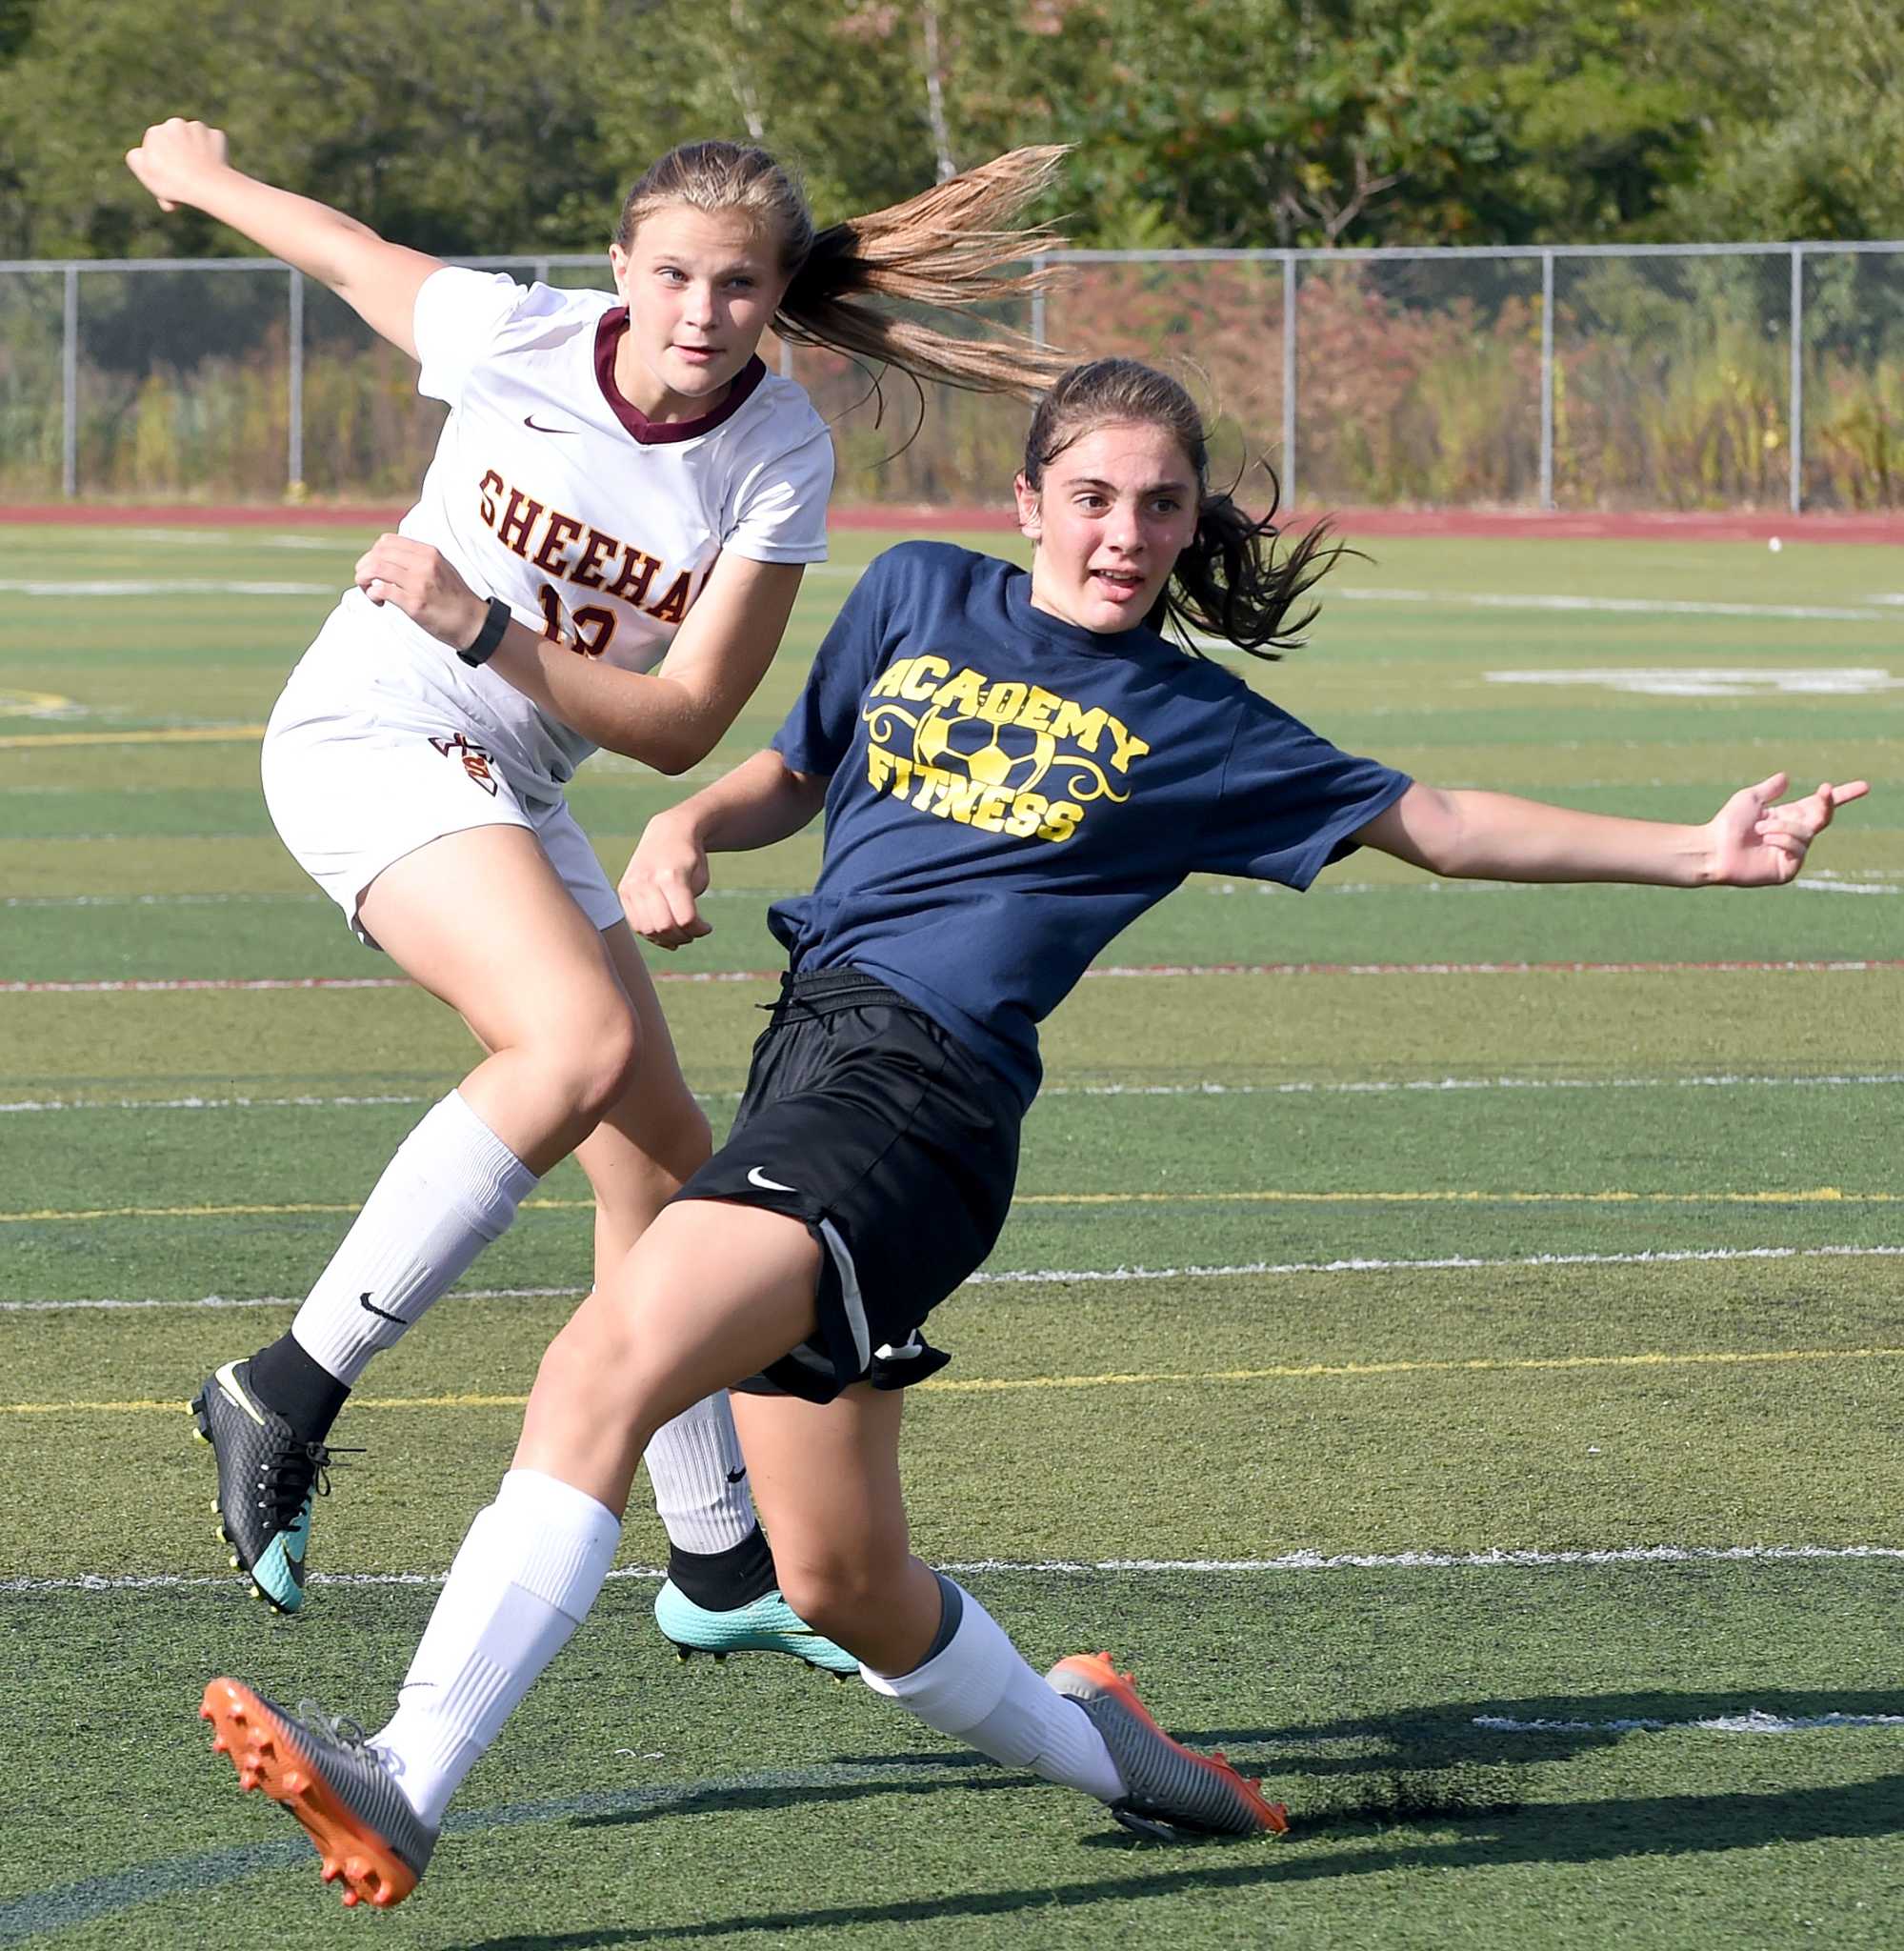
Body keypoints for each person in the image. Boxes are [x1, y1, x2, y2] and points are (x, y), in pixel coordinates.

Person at [197, 357, 1867, 1908]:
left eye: (1160, 506)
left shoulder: (1198, 726)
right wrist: (689, 831)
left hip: (915, 1110)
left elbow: (1433, 822)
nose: (1125, 534)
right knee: (850, 1587)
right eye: (1093, 497)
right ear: (1028, 502)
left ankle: (409, 1773)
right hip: (811, 1080)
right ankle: (1138, 1763)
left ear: (1192, 522)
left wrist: (1695, 853)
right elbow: (794, 767)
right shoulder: (919, 588)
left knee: (606, 1363)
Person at [124, 119, 1071, 1668]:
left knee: (667, 1161)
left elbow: (687, 722)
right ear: (620, 269)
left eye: (741, 286)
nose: (702, 313)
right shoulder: (516, 334)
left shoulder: (777, 454)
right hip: (369, 735)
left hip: (513, 777)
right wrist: (203, 177)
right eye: (676, 275)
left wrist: (485, 625)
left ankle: (712, 1557)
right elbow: (349, 252)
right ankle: (285, 1384)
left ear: (777, 300)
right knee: (572, 1048)